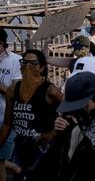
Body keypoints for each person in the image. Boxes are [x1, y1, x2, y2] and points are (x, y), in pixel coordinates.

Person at [0, 50, 63, 180]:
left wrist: (51, 133)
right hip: (21, 146)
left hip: (43, 148)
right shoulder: (13, 90)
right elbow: (7, 123)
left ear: (42, 67)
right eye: (25, 63)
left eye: (33, 63)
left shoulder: (50, 91)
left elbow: (68, 111)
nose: (28, 67)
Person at [0, 29, 21, 181]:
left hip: (6, 119)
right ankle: (16, 168)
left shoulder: (16, 61)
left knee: (1, 159)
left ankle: (16, 169)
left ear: (1, 44)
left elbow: (16, 93)